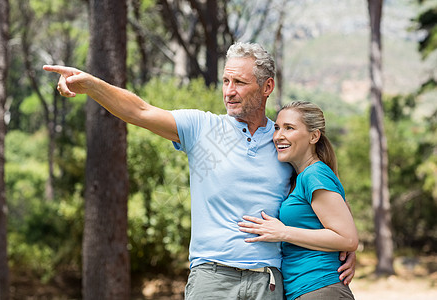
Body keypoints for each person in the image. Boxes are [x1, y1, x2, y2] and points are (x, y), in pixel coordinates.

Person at [43, 42, 356, 299]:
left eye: (240, 83)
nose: (229, 91)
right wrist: (91, 85)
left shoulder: (282, 140)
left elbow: (318, 199)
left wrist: (342, 250)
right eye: (225, 81)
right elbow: (139, 111)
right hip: (212, 279)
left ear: (267, 86)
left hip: (268, 282)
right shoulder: (201, 127)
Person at [238, 101, 358, 300]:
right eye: (276, 128)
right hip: (304, 291)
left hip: (321, 288)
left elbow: (348, 238)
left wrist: (283, 232)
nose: (278, 136)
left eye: (289, 128)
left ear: (314, 136)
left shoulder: (315, 174)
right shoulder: (300, 177)